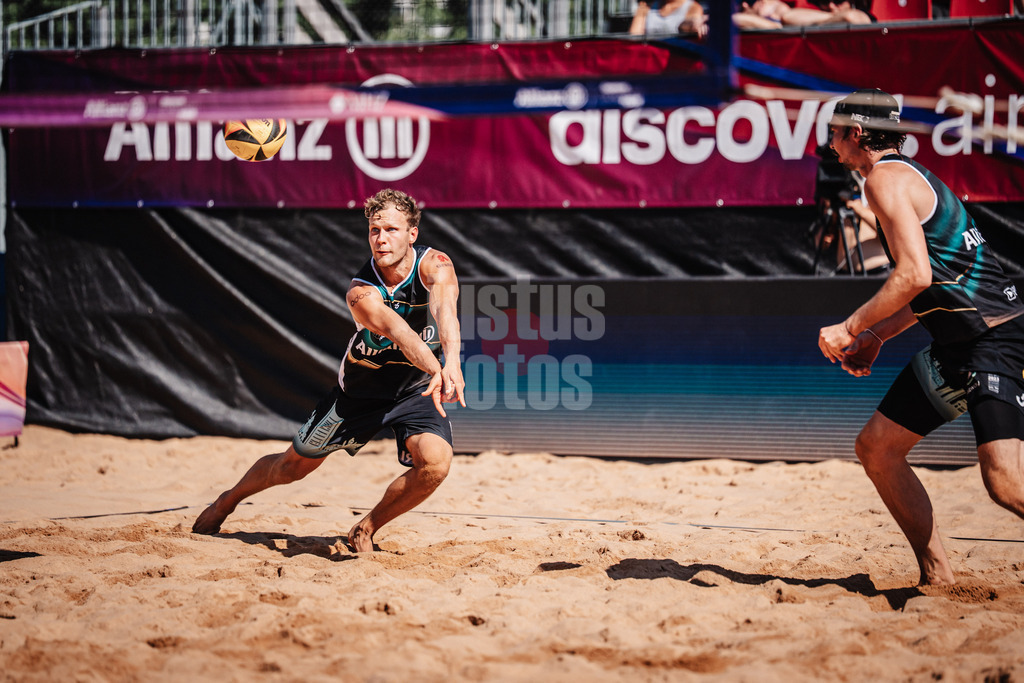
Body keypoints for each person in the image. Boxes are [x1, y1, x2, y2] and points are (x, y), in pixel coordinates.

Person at [818, 89, 1024, 585]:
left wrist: (850, 326)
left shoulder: (884, 181)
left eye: (834, 131)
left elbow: (914, 275)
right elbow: (935, 282)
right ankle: (938, 576)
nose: (829, 143)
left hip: (992, 338)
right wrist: (880, 334)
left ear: (857, 133)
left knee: (1006, 482)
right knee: (876, 449)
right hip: (959, 343)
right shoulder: (903, 175)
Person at [193, 188, 467, 552]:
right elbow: (401, 334)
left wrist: (453, 363)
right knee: (290, 468)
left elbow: (446, 310)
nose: (381, 239)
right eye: (374, 230)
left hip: (414, 389)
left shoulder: (436, 265)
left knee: (436, 464)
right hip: (360, 394)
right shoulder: (361, 291)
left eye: (391, 230)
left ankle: (366, 528)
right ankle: (228, 499)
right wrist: (439, 368)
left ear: (412, 234)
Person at [732, 0, 872, 28]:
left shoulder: (866, 16)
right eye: (823, 1)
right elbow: (789, 17)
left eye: (838, 1)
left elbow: (852, 18)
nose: (830, 5)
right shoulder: (814, 12)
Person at [629, 0, 707, 36]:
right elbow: (634, 37)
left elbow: (692, 29)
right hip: (649, 60)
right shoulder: (645, 7)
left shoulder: (693, 8)